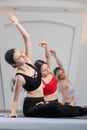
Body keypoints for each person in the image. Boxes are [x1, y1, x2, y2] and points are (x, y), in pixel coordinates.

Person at [4, 12, 87, 118]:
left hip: (41, 103)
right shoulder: (20, 77)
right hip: (31, 108)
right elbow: (15, 100)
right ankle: (83, 111)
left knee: (58, 109)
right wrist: (13, 112)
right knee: (56, 107)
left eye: (21, 52)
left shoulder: (28, 61)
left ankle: (83, 109)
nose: (22, 55)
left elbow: (27, 38)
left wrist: (17, 24)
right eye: (19, 57)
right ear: (14, 65)